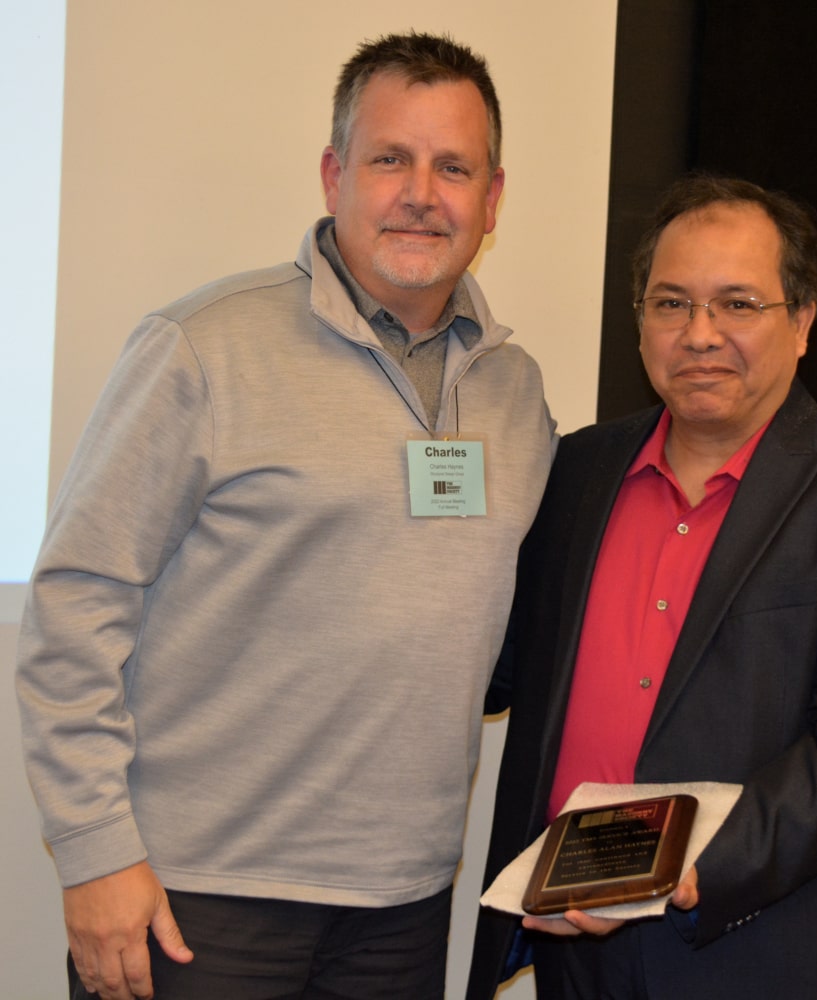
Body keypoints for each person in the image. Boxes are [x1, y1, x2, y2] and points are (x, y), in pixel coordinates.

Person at [16, 31, 555, 1000]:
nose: (421, 193)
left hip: (403, 901)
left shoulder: (515, 392)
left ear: (493, 197)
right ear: (333, 172)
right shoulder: (204, 347)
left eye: (453, 166)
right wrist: (95, 854)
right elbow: (74, 608)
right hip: (197, 895)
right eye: (390, 158)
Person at [467, 175, 817, 1000]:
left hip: (763, 951)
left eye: (738, 304)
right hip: (574, 953)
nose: (699, 334)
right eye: (670, 304)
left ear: (802, 321)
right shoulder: (574, 474)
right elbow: (501, 665)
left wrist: (689, 870)